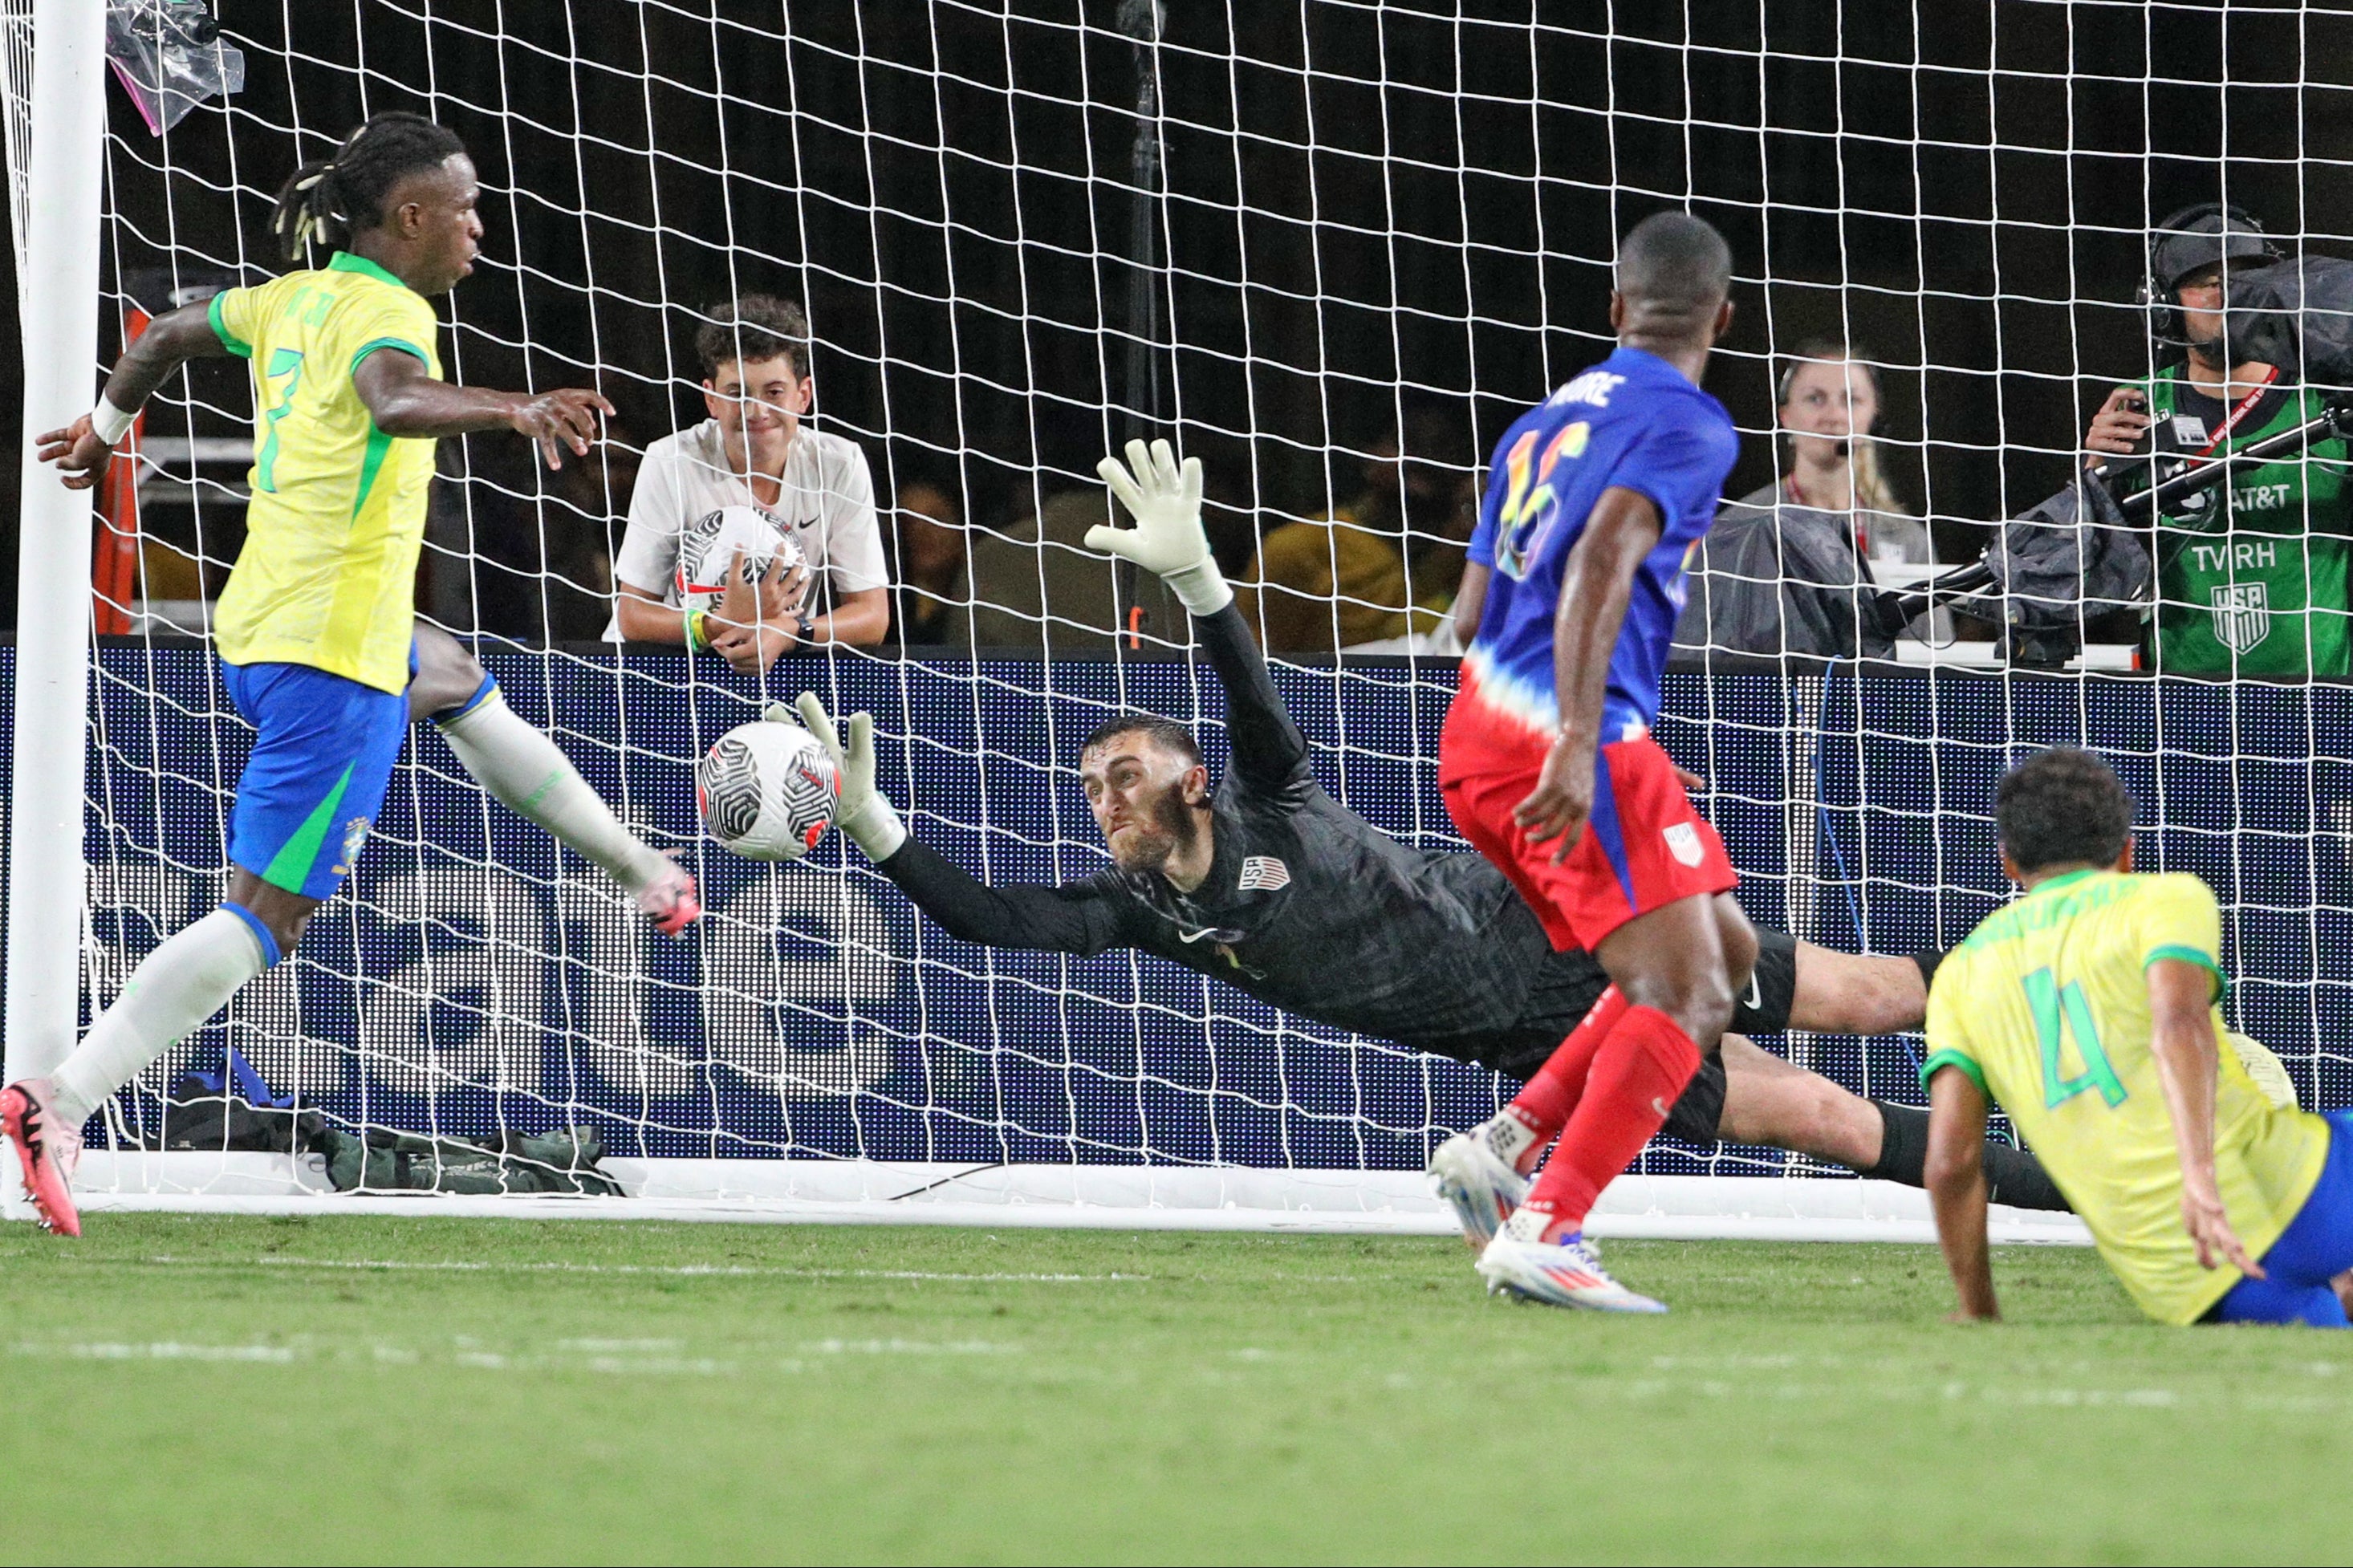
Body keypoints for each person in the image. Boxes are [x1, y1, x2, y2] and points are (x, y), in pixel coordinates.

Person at [779, 440, 2066, 1238]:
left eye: (1124, 771)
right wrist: (876, 824)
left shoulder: (1271, 798)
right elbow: (991, 920)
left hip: (1576, 924)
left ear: (1194, 785)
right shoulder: (1152, 914)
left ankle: (2084, 996)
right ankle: (2096, 1192)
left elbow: (1251, 702)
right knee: (1841, 1124)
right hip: (1547, 1039)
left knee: (1878, 994)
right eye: (1089, 785)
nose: (1104, 797)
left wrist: (1200, 587)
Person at [14, 112, 700, 1237]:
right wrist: (517, 409)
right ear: (413, 216)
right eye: (467, 206)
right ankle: (62, 1098)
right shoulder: (390, 310)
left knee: (455, 674)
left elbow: (168, 334)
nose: (481, 225)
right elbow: (394, 400)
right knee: (268, 919)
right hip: (332, 653)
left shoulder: (290, 297)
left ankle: (638, 868)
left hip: (268, 620)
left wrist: (104, 426)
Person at [1436, 211, 1750, 1313]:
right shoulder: (1695, 425)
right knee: (1686, 986)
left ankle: (1507, 1143)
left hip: (1482, 729)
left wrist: (1603, 735)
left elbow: (1472, 613)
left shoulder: (1535, 425)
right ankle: (1552, 1223)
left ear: (1616, 309)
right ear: (1724, 314)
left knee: (1728, 945)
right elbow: (1604, 561)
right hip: (1564, 738)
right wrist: (1580, 735)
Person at [1922, 748, 2353, 1327]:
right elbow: (2179, 1024)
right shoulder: (2160, 898)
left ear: (2008, 862)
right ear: (2127, 850)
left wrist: (1978, 1312)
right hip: (2285, 1188)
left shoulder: (1959, 974)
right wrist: (2199, 1178)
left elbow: (1951, 1163)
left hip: (2185, 1275)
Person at [2082, 203, 2353, 677]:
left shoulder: (2328, 400)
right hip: (2181, 695)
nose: (2232, 295)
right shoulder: (2140, 408)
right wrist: (2094, 475)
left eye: (2247, 277)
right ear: (2163, 304)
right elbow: (2097, 571)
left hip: (2322, 693)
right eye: (2209, 283)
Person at [605, 295, 889, 670]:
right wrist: (715, 625)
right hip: (665, 666)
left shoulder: (838, 464)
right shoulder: (671, 461)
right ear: (711, 399)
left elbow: (872, 616)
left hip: (780, 658)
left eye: (774, 392)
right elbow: (633, 615)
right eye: (737, 394)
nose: (757, 412)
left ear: (803, 396)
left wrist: (791, 632)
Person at [1670, 341, 1941, 661]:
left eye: (1851, 400)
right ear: (1785, 414)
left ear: (1874, 415)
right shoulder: (1742, 525)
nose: (1834, 416)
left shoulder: (1907, 537)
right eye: (1815, 399)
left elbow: (1935, 654)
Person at [1237, 400, 1477, 654]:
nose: (1421, 459)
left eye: (1441, 448)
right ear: (1370, 456)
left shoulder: (1469, 551)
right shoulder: (1301, 547)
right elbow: (1250, 656)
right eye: (1406, 442)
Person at [888, 477, 969, 648]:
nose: (921, 531)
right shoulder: (886, 610)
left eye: (936, 519)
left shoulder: (985, 599)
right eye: (908, 522)